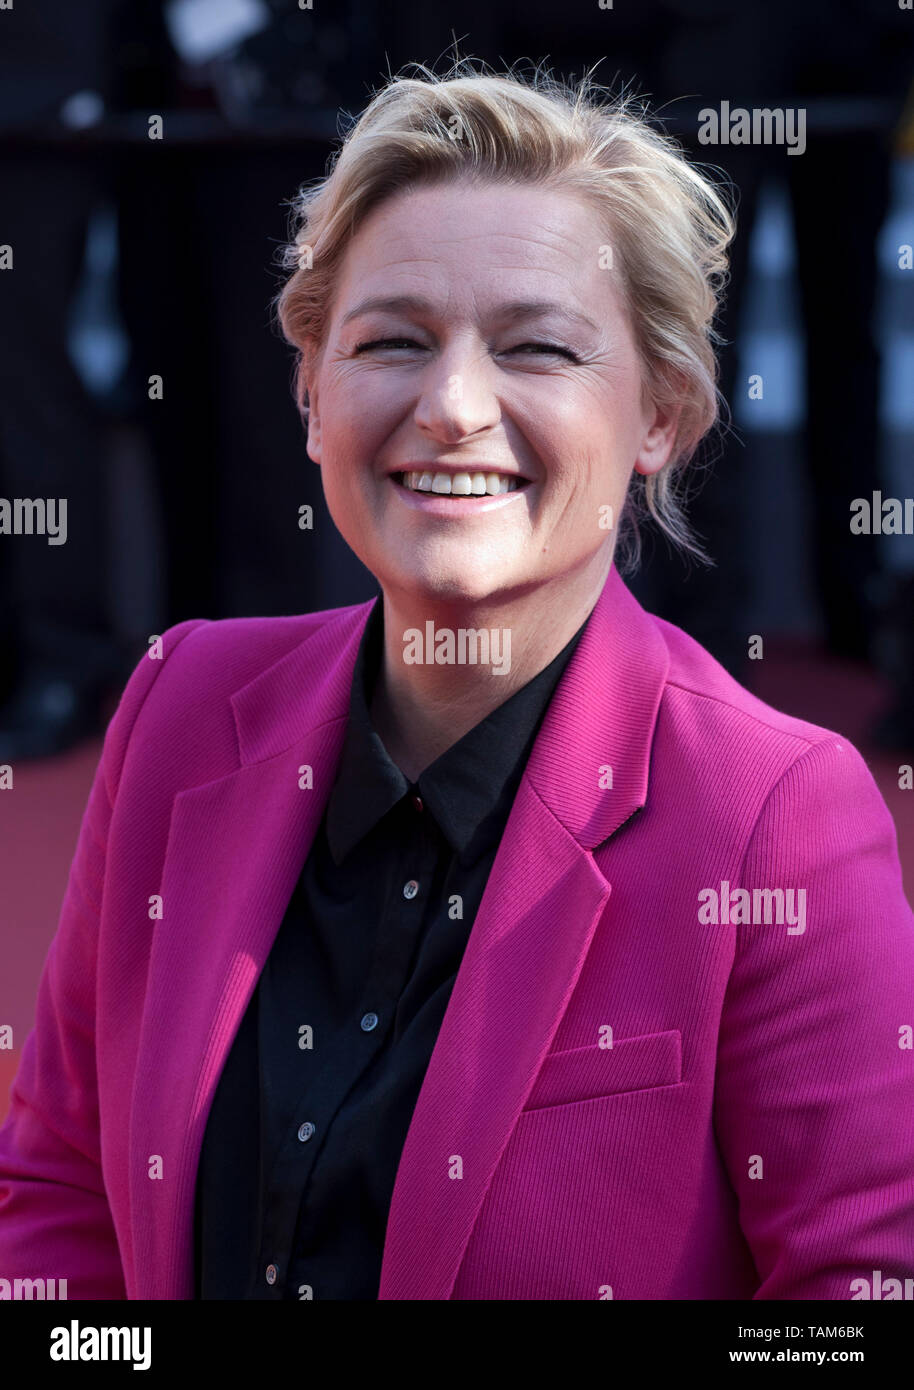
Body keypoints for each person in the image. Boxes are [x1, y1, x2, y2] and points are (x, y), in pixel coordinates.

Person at [1, 60, 912, 1301]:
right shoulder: (178, 710)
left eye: (535, 346)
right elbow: (58, 1192)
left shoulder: (776, 818)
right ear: (313, 394)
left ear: (659, 418)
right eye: (392, 341)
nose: (451, 405)